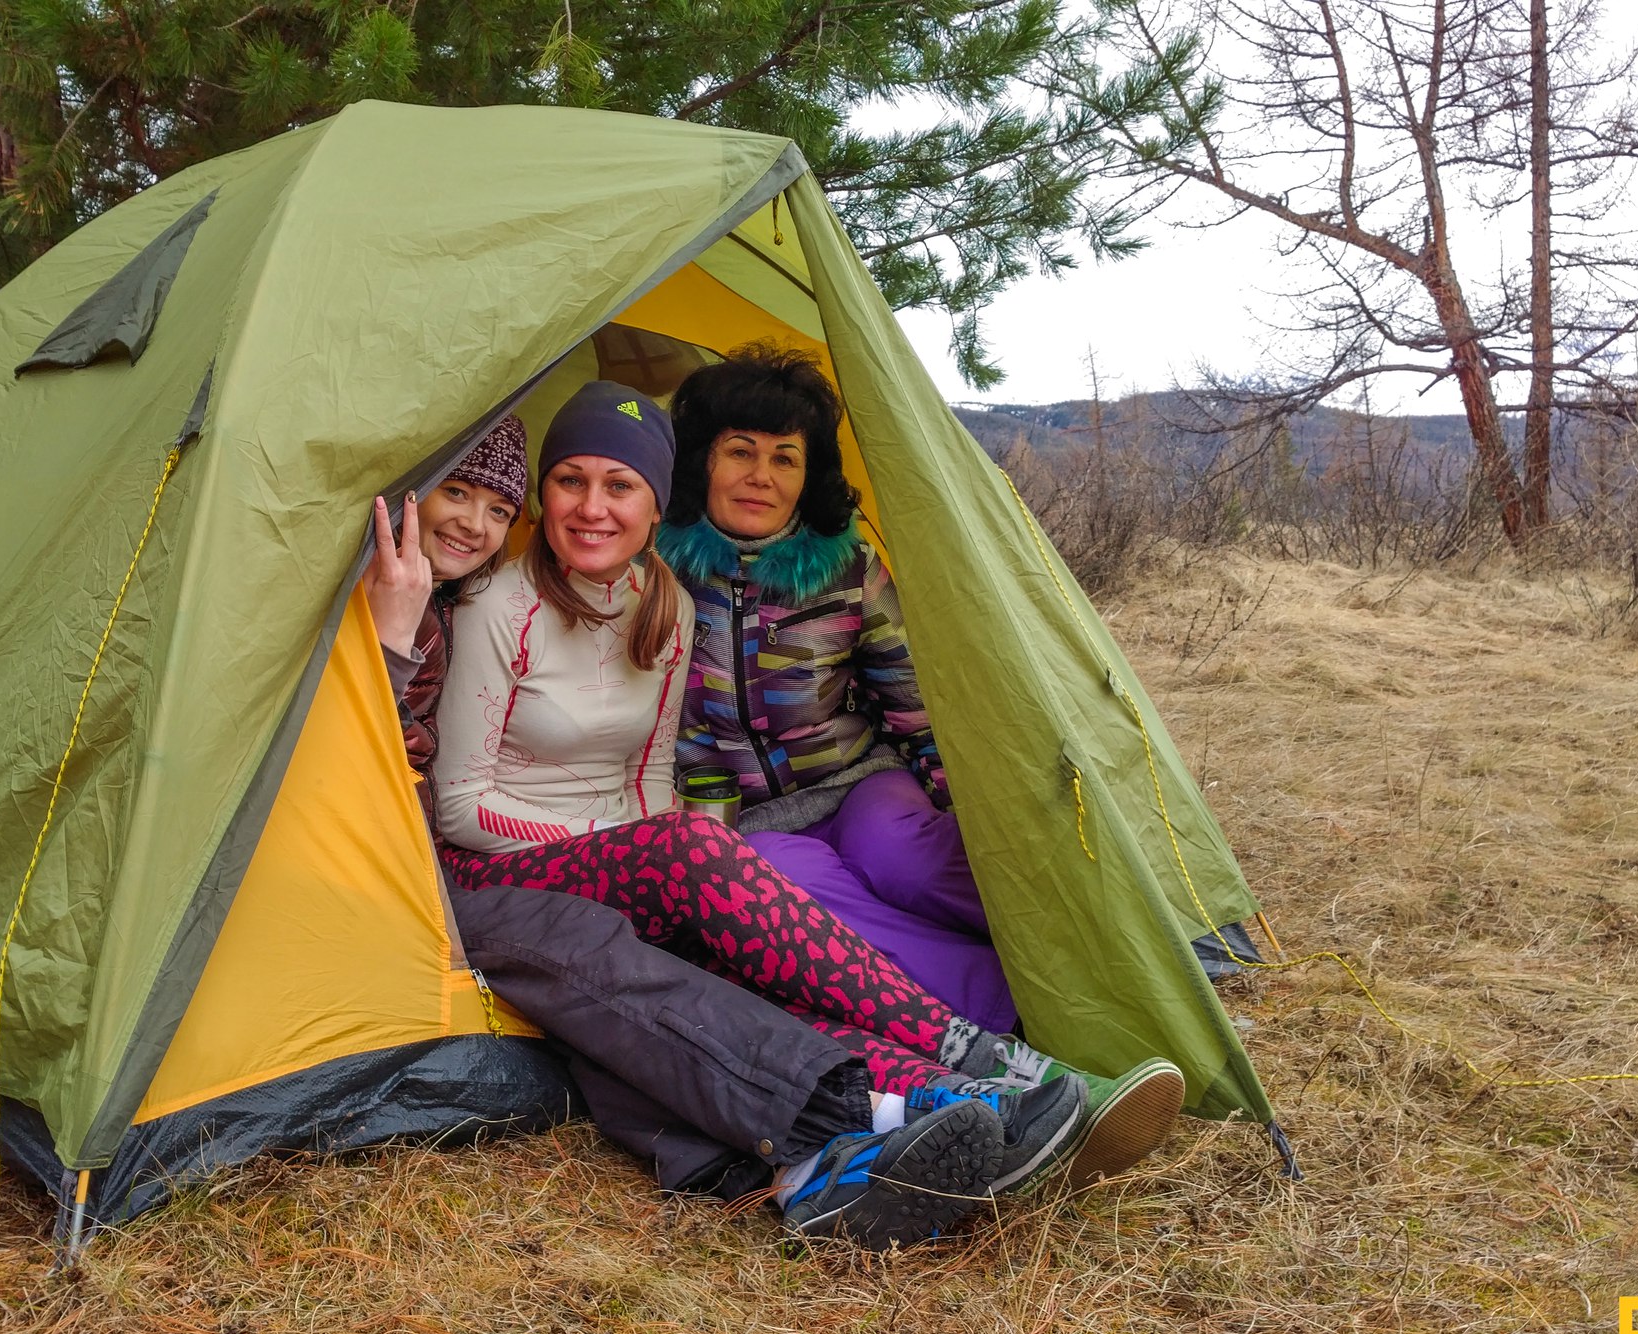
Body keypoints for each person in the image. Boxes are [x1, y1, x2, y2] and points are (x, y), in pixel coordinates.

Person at [425, 382, 1093, 1225]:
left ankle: (948, 1095)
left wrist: (645, 850)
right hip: (501, 864)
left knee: (748, 960)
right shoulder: (497, 607)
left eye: (620, 486)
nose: (593, 507)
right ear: (543, 498)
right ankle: (968, 1044)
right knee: (698, 853)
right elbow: (459, 807)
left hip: (623, 860)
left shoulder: (658, 604)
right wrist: (638, 845)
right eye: (570, 481)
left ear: (654, 501)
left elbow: (649, 776)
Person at [658, 345, 1185, 1183]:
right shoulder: (657, 571)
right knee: (792, 889)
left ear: (809, 472)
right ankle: (1011, 1018)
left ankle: (1104, 962)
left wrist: (961, 799)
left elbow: (907, 696)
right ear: (703, 459)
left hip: (860, 779)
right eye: (740, 450)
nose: (762, 475)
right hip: (749, 817)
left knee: (904, 851)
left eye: (785, 457)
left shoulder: (846, 569)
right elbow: (674, 730)